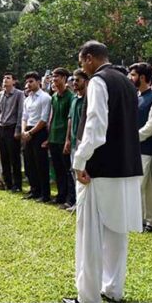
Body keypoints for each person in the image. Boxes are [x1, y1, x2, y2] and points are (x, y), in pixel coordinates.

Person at [67, 41, 142, 303]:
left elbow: (96, 126)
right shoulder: (126, 82)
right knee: (117, 233)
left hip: (99, 170)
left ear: (89, 58)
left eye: (80, 62)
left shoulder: (99, 82)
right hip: (126, 168)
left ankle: (87, 297)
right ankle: (113, 289)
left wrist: (80, 160)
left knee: (90, 235)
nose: (81, 68)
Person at [128, 62, 152, 232]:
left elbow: (151, 126)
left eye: (132, 75)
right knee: (142, 187)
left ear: (142, 77)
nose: (130, 78)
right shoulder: (136, 96)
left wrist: (132, 138)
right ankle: (146, 220)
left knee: (145, 187)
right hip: (134, 149)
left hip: (147, 149)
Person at [21, 72, 52, 202]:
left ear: (39, 82)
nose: (29, 84)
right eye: (27, 82)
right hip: (28, 131)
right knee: (29, 163)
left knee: (41, 163)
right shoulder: (27, 99)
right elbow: (24, 117)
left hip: (39, 132)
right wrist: (24, 131)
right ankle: (34, 190)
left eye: (31, 81)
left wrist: (31, 132)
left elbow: (44, 119)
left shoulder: (45, 97)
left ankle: (45, 194)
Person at [48, 68, 75, 206]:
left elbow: (70, 119)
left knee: (67, 170)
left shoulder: (71, 97)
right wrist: (48, 137)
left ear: (64, 78)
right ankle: (60, 195)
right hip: (53, 137)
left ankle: (70, 199)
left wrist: (67, 140)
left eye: (57, 76)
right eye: (53, 77)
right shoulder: (53, 96)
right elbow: (51, 117)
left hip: (63, 137)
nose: (54, 79)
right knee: (57, 169)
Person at [0, 73, 24, 192]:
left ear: (14, 81)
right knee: (4, 157)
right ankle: (8, 183)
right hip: (2, 128)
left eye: (8, 78)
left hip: (12, 128)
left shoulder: (19, 94)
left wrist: (18, 130)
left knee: (14, 158)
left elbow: (20, 112)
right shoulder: (0, 95)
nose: (5, 80)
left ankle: (17, 185)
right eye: (4, 78)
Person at [63, 69, 88, 211]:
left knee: (83, 172)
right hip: (73, 142)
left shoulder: (89, 98)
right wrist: (67, 139)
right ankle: (78, 203)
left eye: (77, 80)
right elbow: (70, 120)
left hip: (84, 142)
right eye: (73, 80)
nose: (74, 83)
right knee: (75, 172)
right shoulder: (74, 99)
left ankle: (84, 204)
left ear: (85, 80)